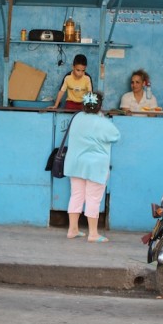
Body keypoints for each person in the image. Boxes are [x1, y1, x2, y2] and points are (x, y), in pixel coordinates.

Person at [64, 91, 120, 243]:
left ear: (84, 104)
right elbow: (116, 136)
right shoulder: (103, 122)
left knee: (76, 195)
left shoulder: (76, 118)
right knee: (93, 198)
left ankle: (72, 229)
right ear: (99, 106)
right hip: (95, 166)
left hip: (75, 164)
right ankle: (93, 233)